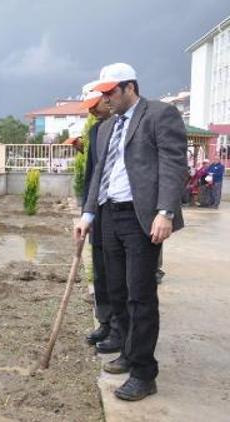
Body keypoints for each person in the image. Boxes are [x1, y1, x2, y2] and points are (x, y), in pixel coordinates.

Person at [75, 63, 187, 401]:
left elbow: (173, 163)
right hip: (110, 217)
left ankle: (143, 372)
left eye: (110, 92)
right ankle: (126, 349)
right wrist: (88, 213)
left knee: (140, 296)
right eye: (103, 93)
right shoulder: (108, 127)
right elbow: (99, 175)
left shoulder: (159, 115)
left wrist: (165, 211)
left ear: (129, 87)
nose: (105, 98)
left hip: (141, 220)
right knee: (117, 290)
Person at [79, 84, 120, 353]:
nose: (93, 111)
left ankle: (119, 328)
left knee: (118, 273)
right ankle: (105, 321)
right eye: (90, 107)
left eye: (97, 104)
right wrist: (87, 211)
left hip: (121, 208)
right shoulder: (96, 131)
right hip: (99, 209)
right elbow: (92, 174)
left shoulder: (124, 127)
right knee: (101, 268)